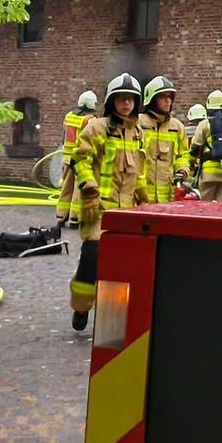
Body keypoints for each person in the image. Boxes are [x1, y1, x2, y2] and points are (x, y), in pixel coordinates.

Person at [67, 74, 143, 331]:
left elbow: (138, 172)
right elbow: (79, 159)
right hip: (98, 208)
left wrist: (146, 202)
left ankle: (112, 316)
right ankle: (81, 306)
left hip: (127, 212)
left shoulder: (137, 132)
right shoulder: (97, 128)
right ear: (112, 101)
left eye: (131, 99)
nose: (127, 104)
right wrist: (89, 188)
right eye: (122, 99)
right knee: (91, 258)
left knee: (122, 266)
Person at [137, 76, 191, 204]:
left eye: (170, 97)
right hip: (141, 195)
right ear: (152, 99)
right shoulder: (138, 123)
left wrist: (182, 171)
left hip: (168, 196)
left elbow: (183, 155)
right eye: (163, 97)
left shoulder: (177, 127)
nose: (168, 101)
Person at [55, 88, 97, 229]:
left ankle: (60, 216)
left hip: (67, 158)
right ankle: (74, 217)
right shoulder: (90, 120)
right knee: (79, 189)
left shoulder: (68, 116)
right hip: (80, 159)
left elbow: (64, 135)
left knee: (66, 187)